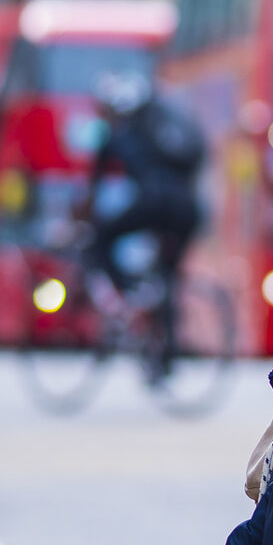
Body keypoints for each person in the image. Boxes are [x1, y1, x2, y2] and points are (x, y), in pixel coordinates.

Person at [81, 71, 204, 363]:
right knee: (168, 276)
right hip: (188, 209)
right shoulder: (164, 125)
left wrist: (85, 214)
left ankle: (128, 293)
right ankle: (165, 356)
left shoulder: (118, 133)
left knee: (102, 236)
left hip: (155, 203)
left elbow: (93, 187)